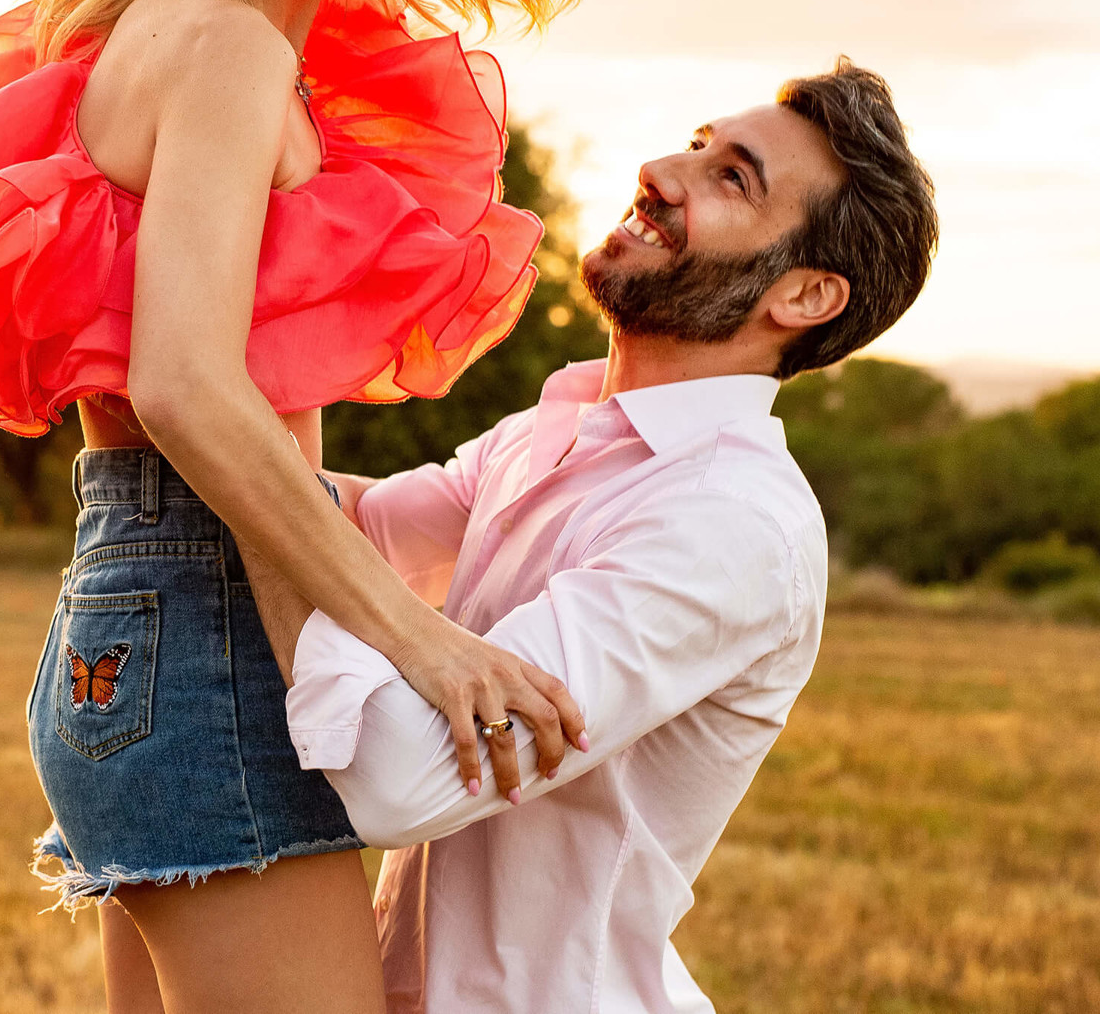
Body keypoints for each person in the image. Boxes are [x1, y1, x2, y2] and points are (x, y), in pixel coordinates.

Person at [0, 0, 588, 1009]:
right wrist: (429, 646)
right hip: (201, 629)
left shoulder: (153, 30)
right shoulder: (230, 51)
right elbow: (183, 383)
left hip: (133, 622)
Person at [242, 60, 940, 1013]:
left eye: (733, 177)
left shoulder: (731, 523)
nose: (661, 168)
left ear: (807, 297)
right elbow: (355, 528)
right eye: (698, 144)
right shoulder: (560, 422)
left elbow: (399, 775)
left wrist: (241, 471)